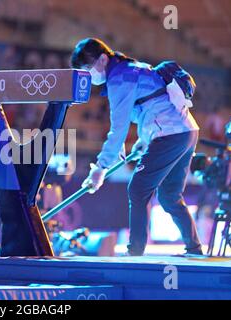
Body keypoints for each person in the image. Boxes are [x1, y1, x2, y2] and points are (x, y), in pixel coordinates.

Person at [71, 38, 202, 256]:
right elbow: (151, 104)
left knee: (138, 189)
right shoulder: (131, 68)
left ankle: (135, 251)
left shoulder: (119, 79)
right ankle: (195, 249)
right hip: (186, 131)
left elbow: (118, 129)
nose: (88, 75)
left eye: (88, 69)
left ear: (103, 59)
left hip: (170, 134)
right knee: (170, 196)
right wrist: (144, 139)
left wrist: (100, 168)